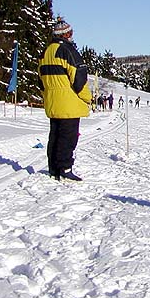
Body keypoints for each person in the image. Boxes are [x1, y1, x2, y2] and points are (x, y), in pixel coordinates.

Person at [39, 17, 92, 181]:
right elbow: (79, 78)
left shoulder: (46, 52)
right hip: (69, 102)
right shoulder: (68, 51)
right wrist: (87, 98)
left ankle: (53, 168)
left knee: (54, 136)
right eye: (70, 33)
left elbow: (40, 80)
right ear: (66, 34)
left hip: (52, 102)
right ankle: (65, 168)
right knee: (68, 137)